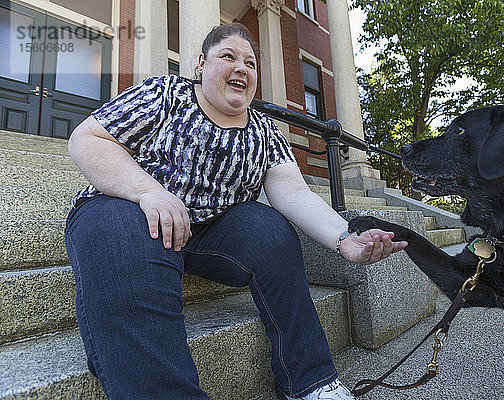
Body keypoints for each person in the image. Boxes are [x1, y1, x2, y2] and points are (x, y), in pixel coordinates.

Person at [65, 23, 407, 400]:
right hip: (128, 212)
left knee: (270, 230)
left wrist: (345, 239)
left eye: (250, 62)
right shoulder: (165, 93)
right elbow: (88, 138)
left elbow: (293, 192)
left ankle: (311, 381)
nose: (241, 67)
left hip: (204, 232)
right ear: (200, 64)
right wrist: (148, 191)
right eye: (228, 56)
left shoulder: (264, 130)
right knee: (123, 230)